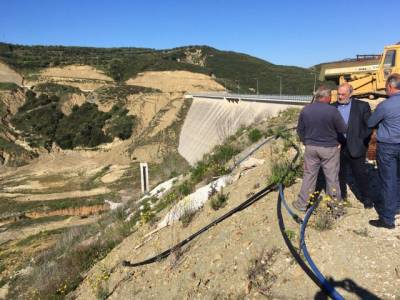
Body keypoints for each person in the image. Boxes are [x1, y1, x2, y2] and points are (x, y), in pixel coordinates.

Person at [292, 86, 347, 212]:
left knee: (309, 176)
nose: (332, 98)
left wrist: (306, 142)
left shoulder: (306, 110)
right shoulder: (332, 111)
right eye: (331, 96)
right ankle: (336, 208)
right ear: (327, 97)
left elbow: (300, 130)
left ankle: (302, 204)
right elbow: (343, 129)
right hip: (329, 149)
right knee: (332, 178)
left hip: (311, 148)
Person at [367, 73, 400, 229]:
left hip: (387, 147)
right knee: (398, 178)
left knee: (388, 181)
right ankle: (397, 206)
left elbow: (370, 122)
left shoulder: (385, 105)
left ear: (389, 87)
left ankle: (387, 218)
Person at [333, 83, 372, 208]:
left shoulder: (362, 106)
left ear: (351, 93)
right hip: (338, 147)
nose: (340, 96)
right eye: (338, 94)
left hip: (356, 147)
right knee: (339, 174)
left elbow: (369, 126)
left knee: (360, 174)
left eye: (343, 94)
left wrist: (362, 142)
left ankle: (366, 198)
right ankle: (342, 197)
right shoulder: (332, 107)